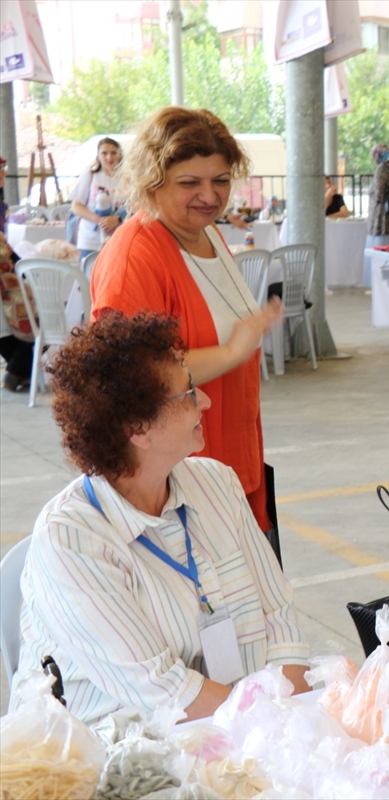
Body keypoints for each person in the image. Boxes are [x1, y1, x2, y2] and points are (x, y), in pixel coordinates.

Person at [10, 310, 309, 725]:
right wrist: (272, 723)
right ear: (138, 429)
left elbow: (280, 621)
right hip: (115, 752)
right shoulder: (70, 541)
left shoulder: (217, 485)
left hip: (238, 731)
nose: (205, 400)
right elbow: (166, 693)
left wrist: (294, 724)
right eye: (188, 393)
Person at [90, 107, 282, 532]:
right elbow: (132, 372)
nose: (209, 196)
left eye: (221, 181)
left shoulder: (208, 233)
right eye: (190, 183)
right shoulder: (135, 256)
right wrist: (231, 351)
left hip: (230, 463)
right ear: (152, 182)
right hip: (175, 484)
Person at [71, 137, 125, 261]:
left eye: (113, 153)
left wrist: (118, 219)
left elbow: (134, 206)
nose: (109, 158)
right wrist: (100, 221)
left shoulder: (127, 179)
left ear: (120, 155)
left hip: (118, 238)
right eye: (104, 153)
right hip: (90, 240)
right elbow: (76, 206)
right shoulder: (90, 175)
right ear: (98, 156)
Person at [0, 233, 33, 392]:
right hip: (8, 306)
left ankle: (21, 373)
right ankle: (13, 372)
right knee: (44, 326)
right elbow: (23, 269)